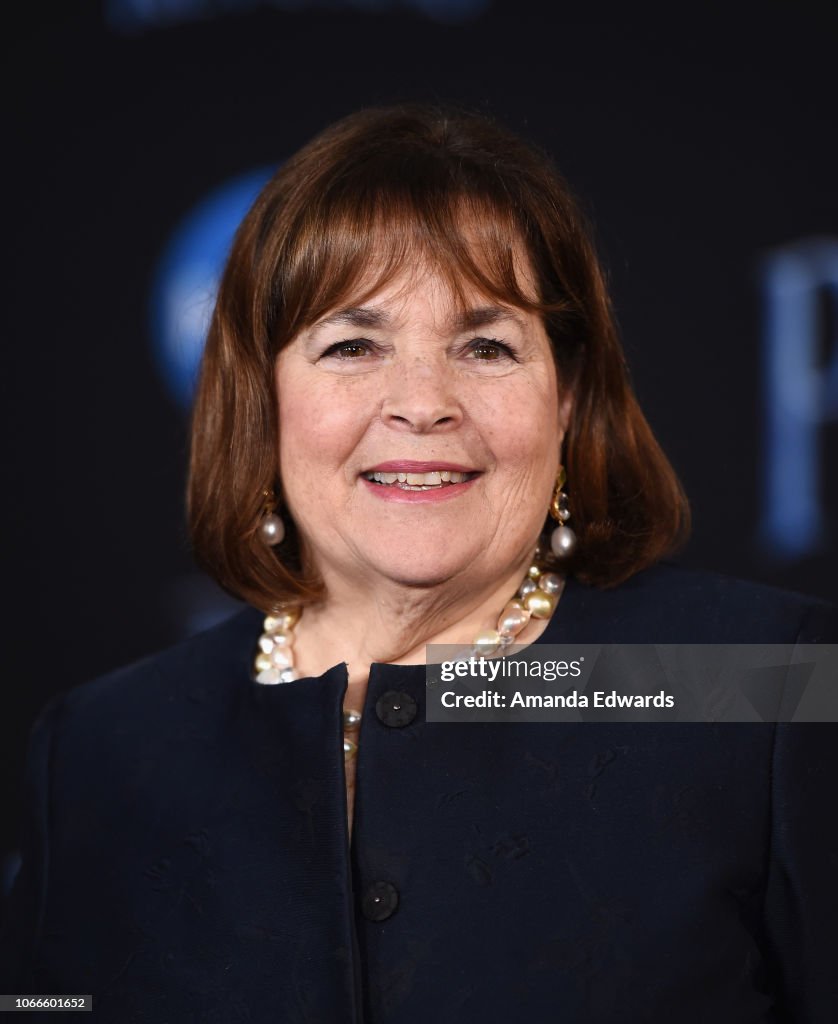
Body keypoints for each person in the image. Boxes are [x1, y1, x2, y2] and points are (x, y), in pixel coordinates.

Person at [1, 104, 836, 1023]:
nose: (422, 404)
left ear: (565, 399)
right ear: (262, 398)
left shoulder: (766, 684)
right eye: (353, 346)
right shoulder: (101, 749)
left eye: (486, 346)